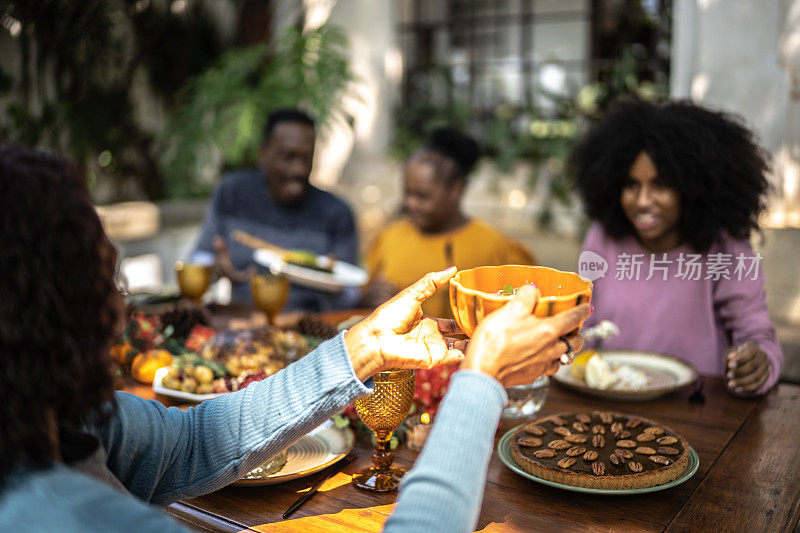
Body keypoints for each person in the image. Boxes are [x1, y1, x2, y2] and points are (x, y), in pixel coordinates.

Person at [0, 142, 589, 532]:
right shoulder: (61, 518)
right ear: (48, 315)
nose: (122, 304)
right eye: (107, 278)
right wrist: (480, 384)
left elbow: (197, 441)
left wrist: (361, 349)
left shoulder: (70, 423)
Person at [571, 100, 783, 396]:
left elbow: (757, 338)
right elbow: (584, 328)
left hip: (697, 410)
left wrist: (757, 365)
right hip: (611, 407)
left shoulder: (724, 248)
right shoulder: (601, 239)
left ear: (692, 187)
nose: (643, 201)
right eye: (632, 185)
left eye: (660, 185)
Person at [190, 108, 359, 312]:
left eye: (307, 158)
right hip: (241, 323)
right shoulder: (233, 193)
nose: (299, 169)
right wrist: (215, 269)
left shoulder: (336, 212)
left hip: (310, 329)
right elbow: (199, 259)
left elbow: (350, 297)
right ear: (263, 154)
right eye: (288, 157)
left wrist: (331, 282)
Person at [364, 127, 536, 318]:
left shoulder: (495, 250)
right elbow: (360, 300)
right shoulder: (390, 238)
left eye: (422, 196)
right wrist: (373, 299)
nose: (410, 203)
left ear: (456, 189)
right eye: (407, 193)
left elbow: (526, 310)